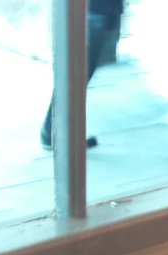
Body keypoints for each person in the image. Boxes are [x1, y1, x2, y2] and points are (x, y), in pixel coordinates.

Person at [41, 0, 125, 149]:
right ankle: (54, 132)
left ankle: (56, 131)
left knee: (77, 78)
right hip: (95, 14)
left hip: (98, 14)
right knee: (75, 77)